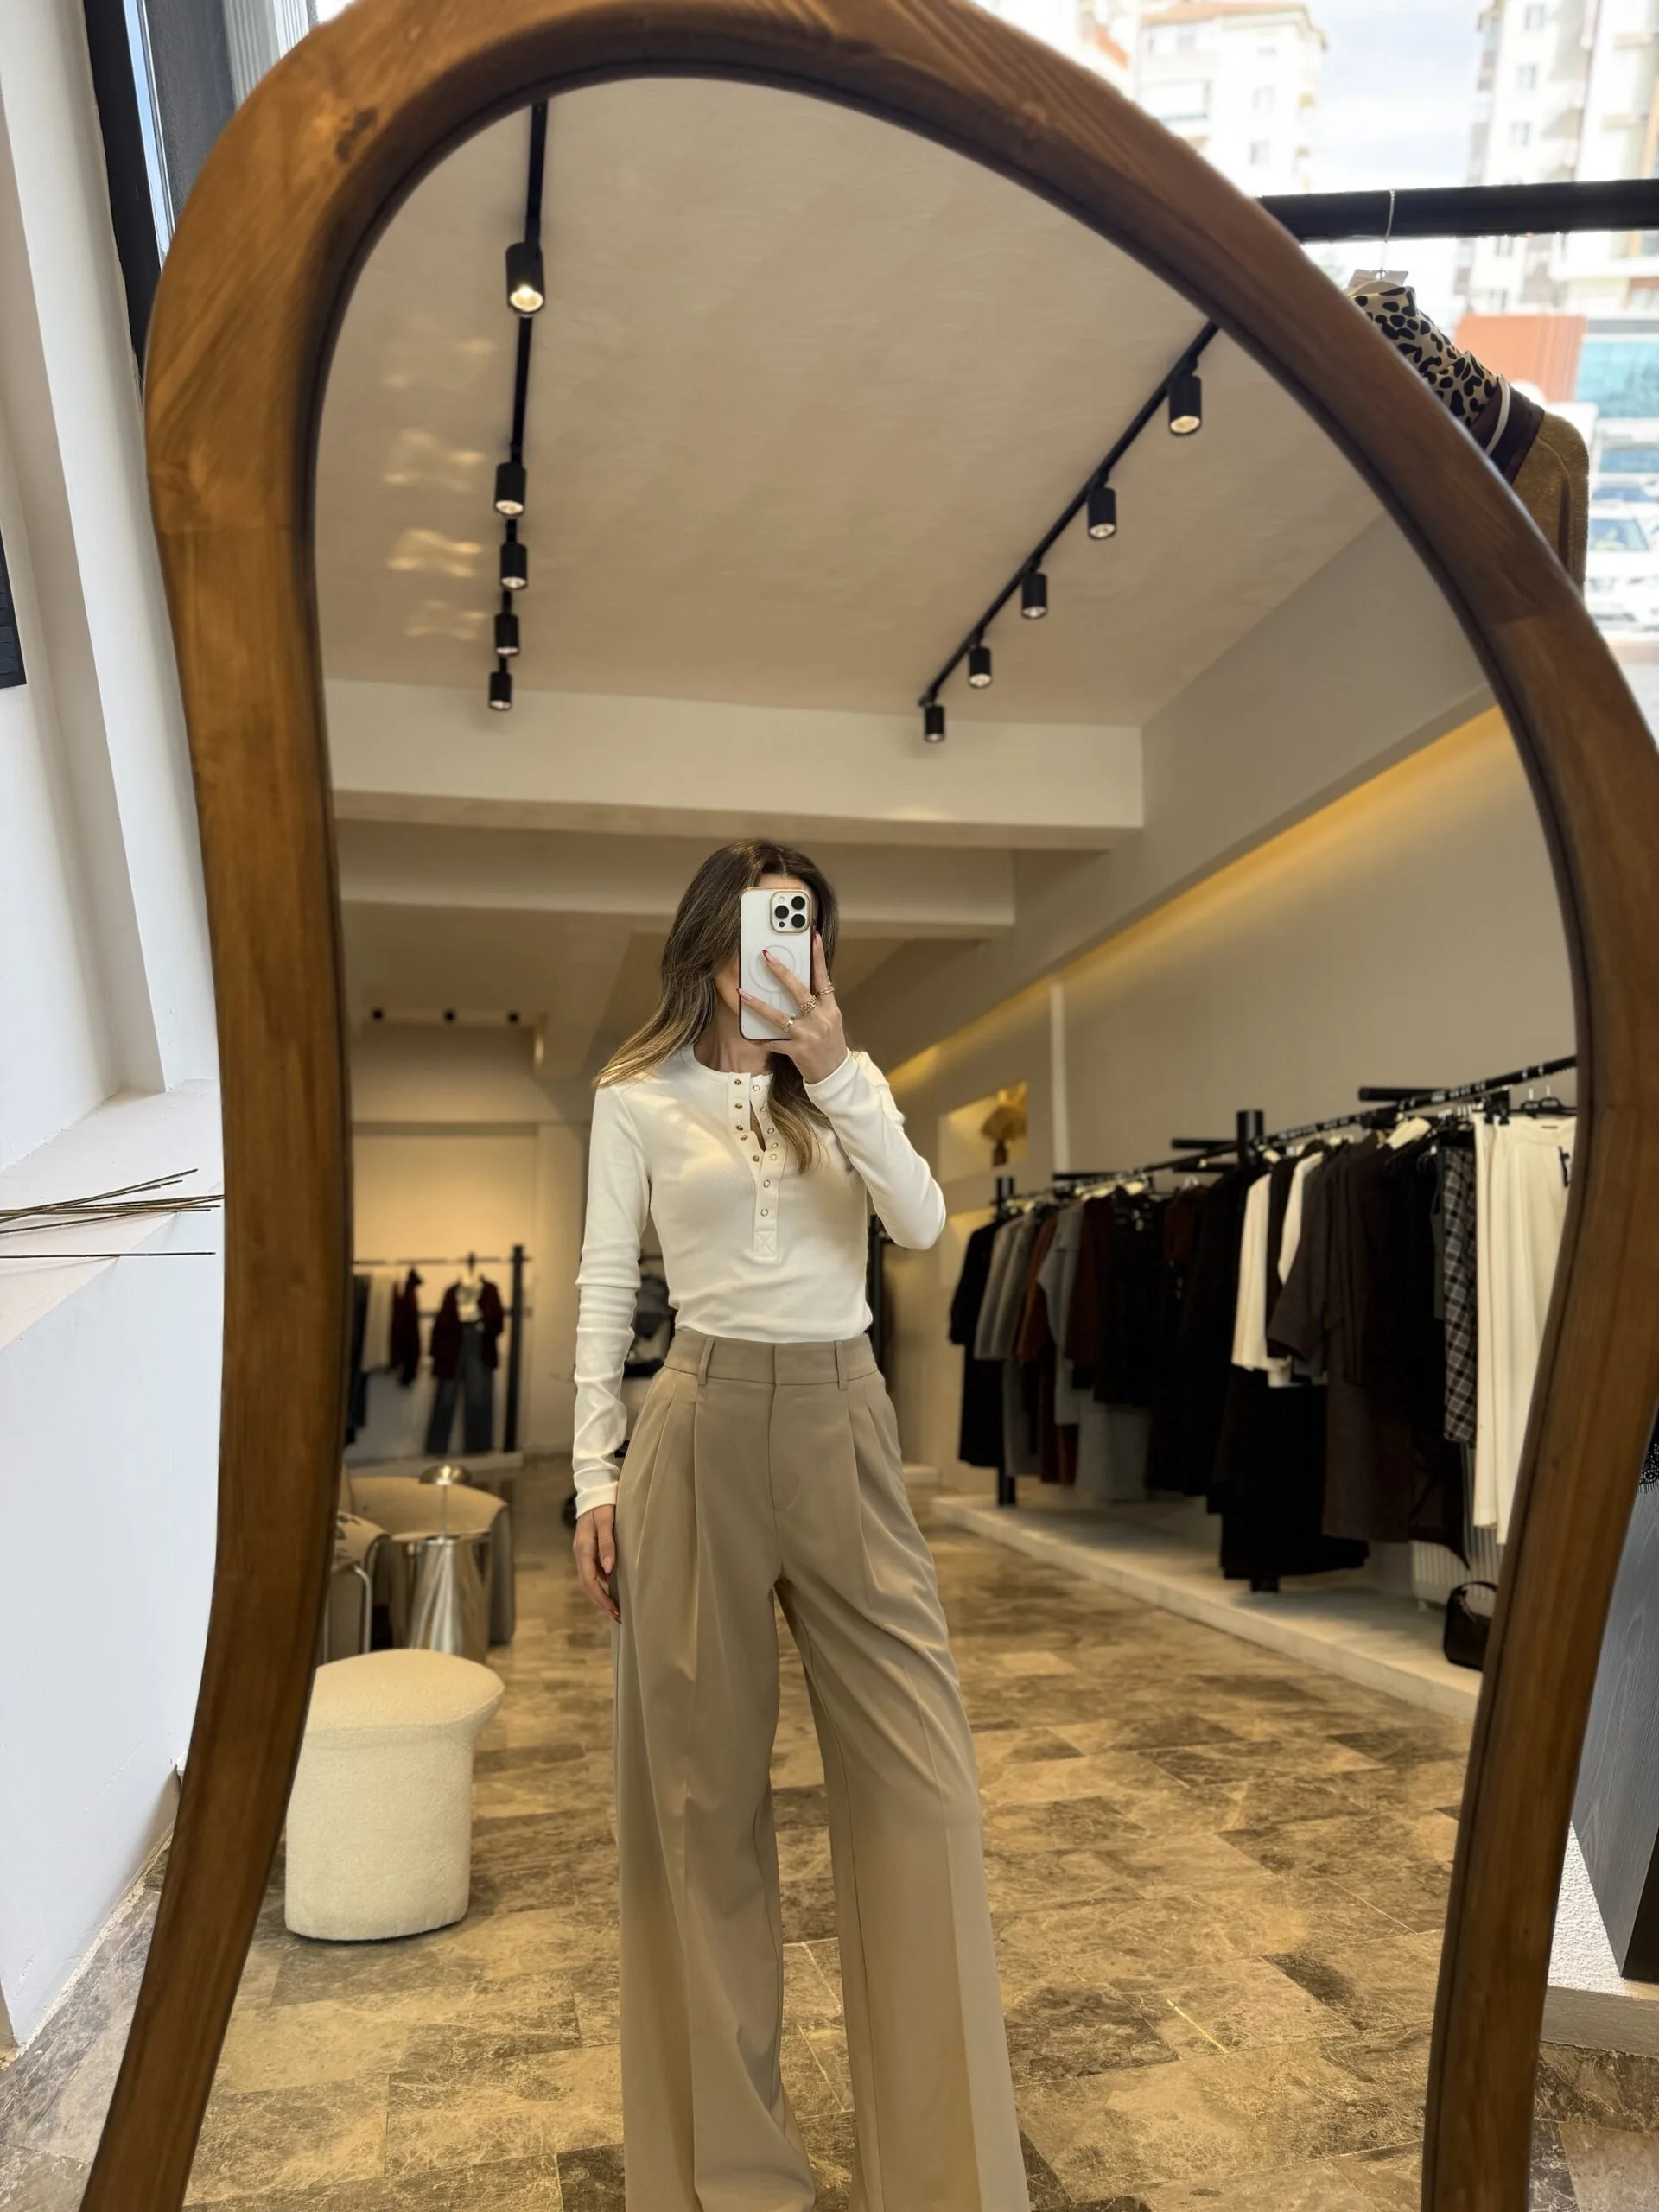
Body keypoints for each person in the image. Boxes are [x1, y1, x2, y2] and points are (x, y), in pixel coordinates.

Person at [571, 841, 1030, 2212]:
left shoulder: (848, 1082)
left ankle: (944, 2183)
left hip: (844, 1417)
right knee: (700, 1814)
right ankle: (735, 2183)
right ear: (710, 945)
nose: (787, 950)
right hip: (697, 1424)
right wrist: (594, 1477)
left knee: (926, 1794)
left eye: (807, 927)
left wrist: (834, 1070)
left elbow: (925, 1221)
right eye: (767, 927)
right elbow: (605, 1285)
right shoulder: (635, 1097)